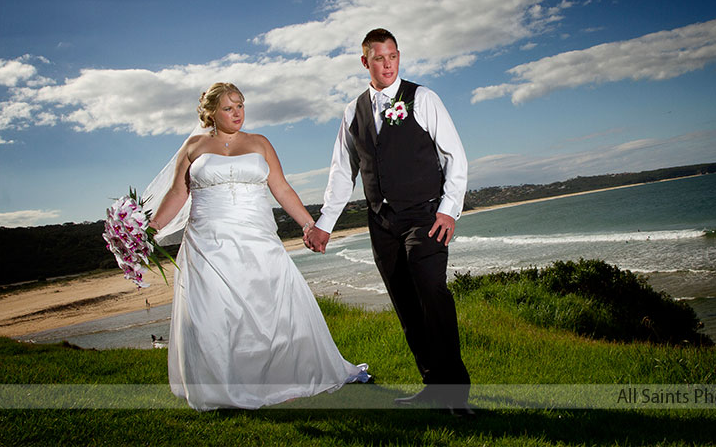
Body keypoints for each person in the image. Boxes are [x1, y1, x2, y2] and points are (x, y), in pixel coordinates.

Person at [147, 82, 369, 411]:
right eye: (229, 108)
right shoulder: (193, 147)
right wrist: (149, 230)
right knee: (215, 314)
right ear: (211, 113)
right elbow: (178, 195)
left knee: (270, 309)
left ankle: (284, 378)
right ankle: (224, 387)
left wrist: (310, 225)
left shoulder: (260, 143)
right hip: (207, 242)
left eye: (241, 105)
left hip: (257, 239)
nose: (237, 113)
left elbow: (281, 188)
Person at [304, 28, 472, 415]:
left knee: (433, 294)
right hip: (381, 222)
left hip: (426, 216)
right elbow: (340, 172)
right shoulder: (353, 112)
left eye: (393, 56)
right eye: (379, 58)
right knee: (406, 304)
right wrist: (325, 223)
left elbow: (455, 157)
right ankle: (432, 384)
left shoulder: (423, 98)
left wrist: (449, 209)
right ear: (365, 62)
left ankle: (455, 392)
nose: (387, 64)